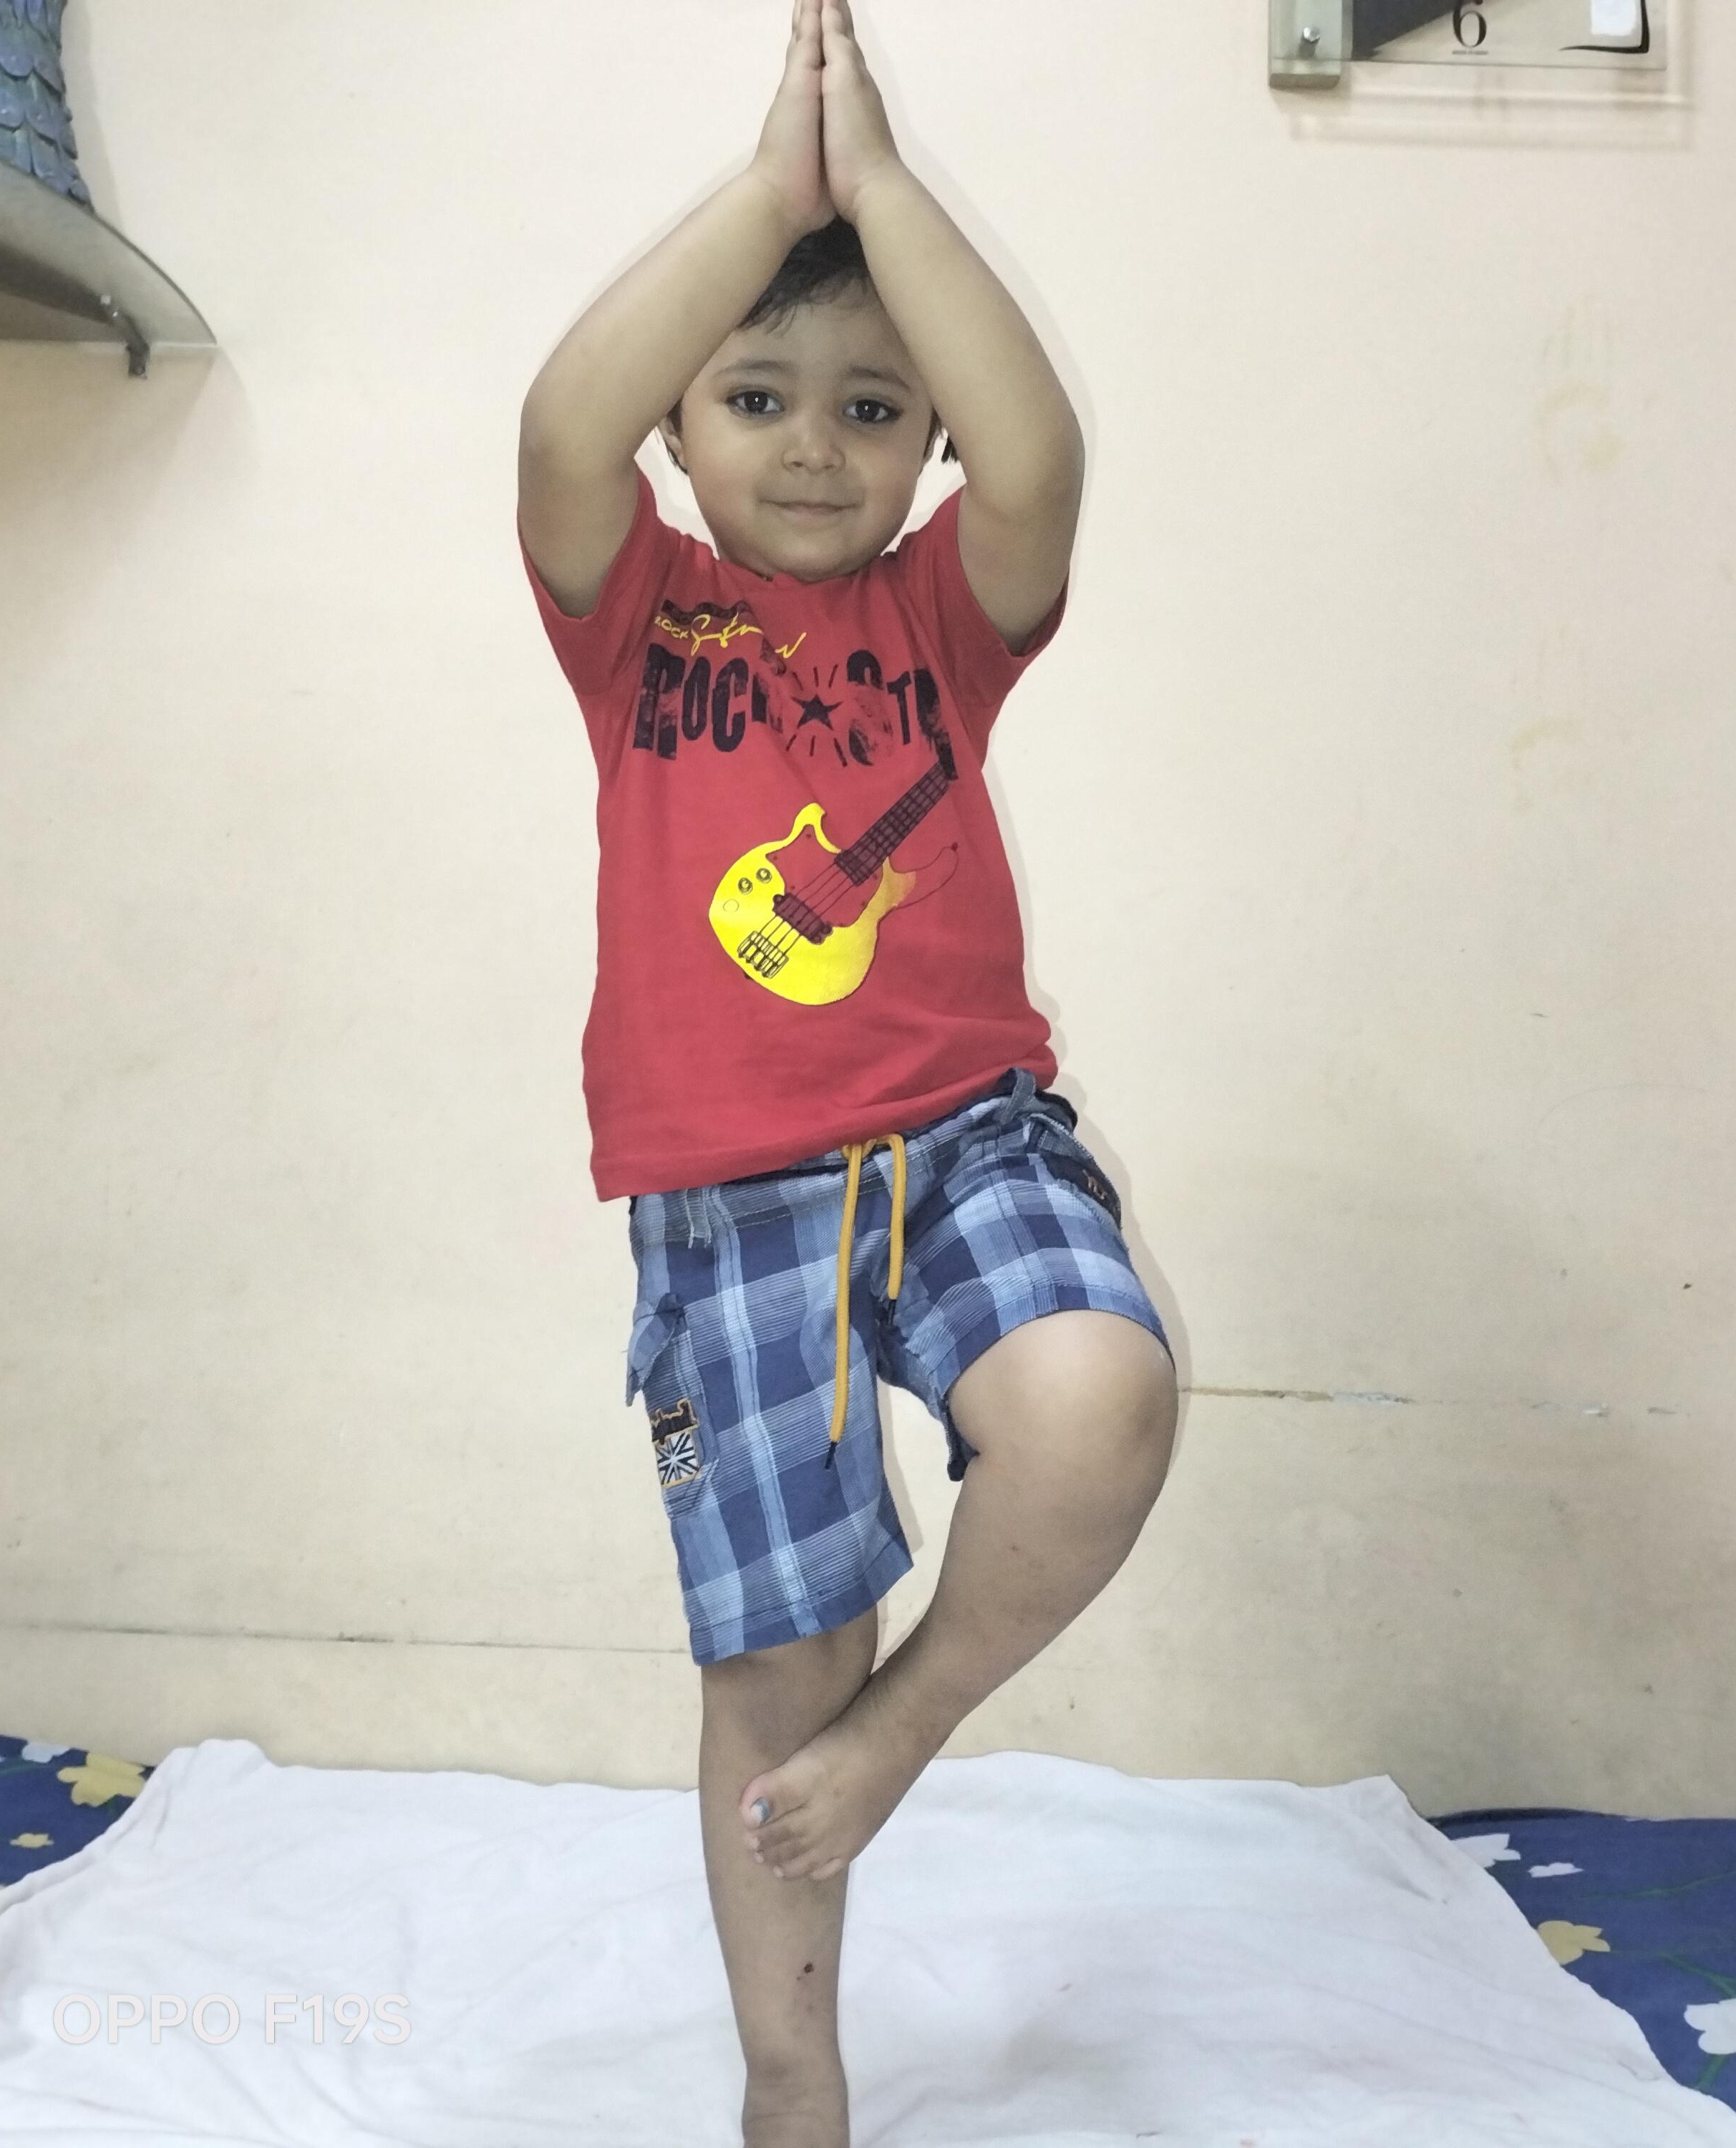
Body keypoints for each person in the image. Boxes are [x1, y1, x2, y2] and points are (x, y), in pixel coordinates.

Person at [515, 4, 1178, 2140]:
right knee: (777, 1663)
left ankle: (912, 1725)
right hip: (729, 1206)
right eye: (759, 398)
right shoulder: (639, 619)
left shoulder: (943, 621)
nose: (814, 447)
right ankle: (790, 2077)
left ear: (927, 446)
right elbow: (560, 422)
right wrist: (769, 196)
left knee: (1097, 1399)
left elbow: (1043, 462)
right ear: (683, 428)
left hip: (968, 1138)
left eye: (873, 409)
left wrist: (882, 190)